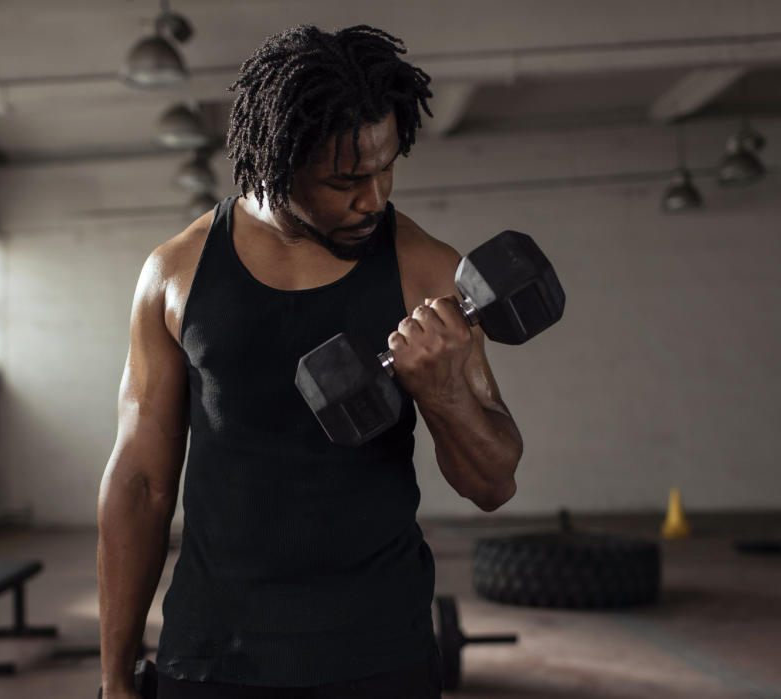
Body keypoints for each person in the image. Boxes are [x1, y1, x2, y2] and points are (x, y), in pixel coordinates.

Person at [98, 24, 523, 699]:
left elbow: (494, 483)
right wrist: (116, 675)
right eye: (346, 180)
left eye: (388, 167)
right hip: (212, 653)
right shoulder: (175, 274)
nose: (375, 197)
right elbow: (141, 483)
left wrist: (443, 391)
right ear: (276, 162)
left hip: (379, 652)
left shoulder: (429, 271)